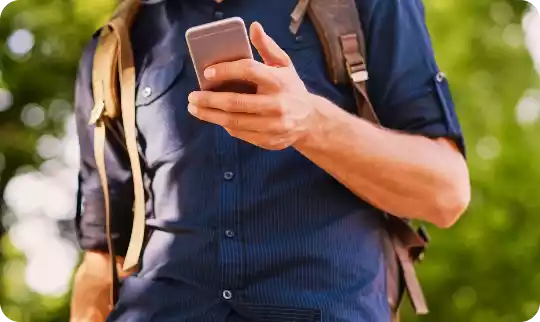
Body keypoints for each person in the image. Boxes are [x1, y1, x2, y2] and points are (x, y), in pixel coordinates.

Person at [70, 0, 471, 321]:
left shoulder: (366, 6)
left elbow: (446, 192)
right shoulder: (117, 44)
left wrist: (312, 123)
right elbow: (103, 258)